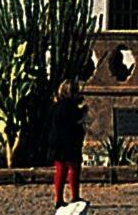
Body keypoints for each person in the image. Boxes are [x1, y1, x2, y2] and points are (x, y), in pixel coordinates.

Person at [49, 78, 85, 207]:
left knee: (61, 169)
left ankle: (59, 199)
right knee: (74, 168)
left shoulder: (57, 106)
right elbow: (76, 121)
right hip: (70, 142)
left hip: (57, 142)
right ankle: (74, 196)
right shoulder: (71, 107)